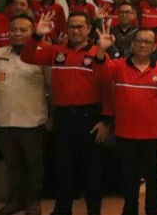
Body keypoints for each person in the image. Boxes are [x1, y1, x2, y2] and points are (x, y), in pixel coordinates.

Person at [20, 11, 112, 215]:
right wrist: (37, 35)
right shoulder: (55, 51)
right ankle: (62, 211)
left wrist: (105, 121)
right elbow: (27, 56)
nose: (75, 31)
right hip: (63, 118)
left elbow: (107, 88)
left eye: (80, 27)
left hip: (90, 118)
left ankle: (94, 212)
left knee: (92, 171)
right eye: (72, 26)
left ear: (89, 29)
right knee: (63, 169)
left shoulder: (98, 53)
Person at [94, 27, 157, 215]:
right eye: (139, 41)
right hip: (126, 134)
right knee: (129, 178)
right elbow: (100, 73)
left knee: (154, 178)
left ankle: (152, 211)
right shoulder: (118, 66)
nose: (142, 45)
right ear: (132, 44)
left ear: (154, 47)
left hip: (153, 136)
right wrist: (101, 49)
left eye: (147, 42)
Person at [0, 15, 49, 215]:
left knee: (34, 165)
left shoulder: (42, 55)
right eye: (13, 29)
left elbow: (52, 87)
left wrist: (52, 116)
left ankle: (33, 201)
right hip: (4, 121)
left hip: (32, 121)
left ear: (32, 32)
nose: (17, 33)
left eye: (23, 30)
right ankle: (15, 201)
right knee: (12, 165)